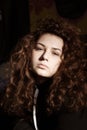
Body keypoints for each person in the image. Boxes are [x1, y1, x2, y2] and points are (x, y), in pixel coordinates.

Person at [0, 18, 87, 130]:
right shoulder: (21, 86)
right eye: (39, 48)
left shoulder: (72, 95)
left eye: (55, 53)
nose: (44, 57)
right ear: (29, 52)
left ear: (65, 61)